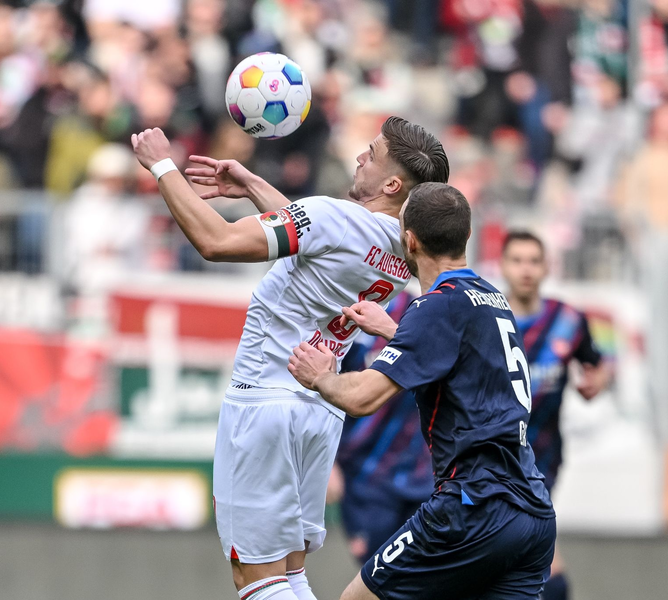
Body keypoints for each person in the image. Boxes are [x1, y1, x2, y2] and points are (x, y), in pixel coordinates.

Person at [130, 117, 449, 600]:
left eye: (372, 152)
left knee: (256, 580)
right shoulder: (404, 248)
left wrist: (162, 167)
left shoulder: (333, 217)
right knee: (290, 574)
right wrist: (254, 184)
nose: (360, 157)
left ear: (391, 183)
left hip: (264, 401)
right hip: (319, 411)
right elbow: (324, 243)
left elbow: (217, 241)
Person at [288, 182, 556, 600]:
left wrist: (320, 376)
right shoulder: (490, 297)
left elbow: (362, 397)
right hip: (531, 511)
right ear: (466, 236)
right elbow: (459, 365)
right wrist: (395, 332)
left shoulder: (436, 306)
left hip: (472, 506)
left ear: (408, 241)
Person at [500, 230, 611, 600]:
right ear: (503, 266)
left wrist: (598, 380)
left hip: (542, 459)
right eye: (517, 260)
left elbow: (598, 363)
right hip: (488, 459)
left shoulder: (567, 320)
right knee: (531, 562)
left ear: (547, 266)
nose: (526, 270)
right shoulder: (486, 317)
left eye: (534, 261)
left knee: (528, 560)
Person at [332, 290, 434, 565]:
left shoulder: (419, 310)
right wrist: (327, 463)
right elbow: (320, 386)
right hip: (366, 478)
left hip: (423, 476)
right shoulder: (340, 307)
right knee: (376, 575)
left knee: (422, 580)